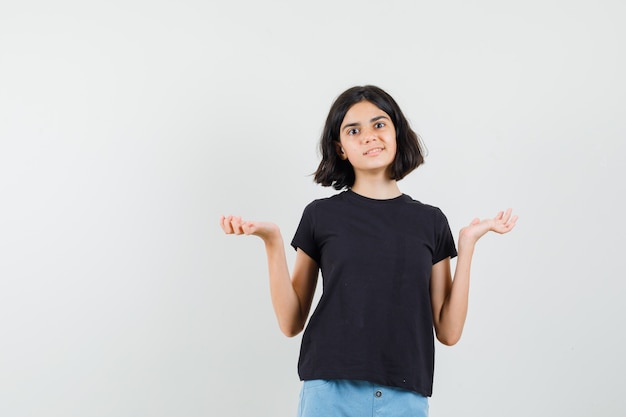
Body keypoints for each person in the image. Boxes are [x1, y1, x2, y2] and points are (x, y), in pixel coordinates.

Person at [220, 85, 517, 417]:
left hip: (404, 396)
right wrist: (272, 241)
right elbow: (291, 323)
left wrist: (467, 245)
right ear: (341, 148)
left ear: (397, 133)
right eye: (353, 130)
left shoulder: (431, 222)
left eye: (379, 125)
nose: (368, 137)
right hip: (330, 391)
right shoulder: (320, 216)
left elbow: (448, 332)